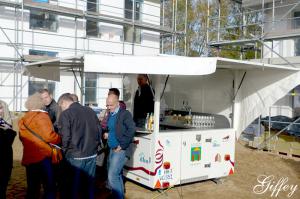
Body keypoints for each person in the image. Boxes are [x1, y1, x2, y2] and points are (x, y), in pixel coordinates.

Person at [57, 93, 101, 199]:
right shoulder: (90, 111)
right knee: (89, 186)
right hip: (91, 154)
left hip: (75, 156)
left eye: (61, 106)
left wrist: (63, 152)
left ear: (63, 102)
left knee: (74, 188)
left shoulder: (66, 114)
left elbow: (65, 138)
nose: (61, 109)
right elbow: (99, 130)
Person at [18, 93, 61, 199]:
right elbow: (49, 137)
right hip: (43, 156)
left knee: (32, 187)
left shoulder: (24, 118)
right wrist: (59, 138)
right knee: (49, 186)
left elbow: (22, 138)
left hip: (29, 156)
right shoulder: (42, 116)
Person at [105, 94, 135, 199]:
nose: (108, 107)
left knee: (112, 176)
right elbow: (115, 129)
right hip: (112, 149)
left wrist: (122, 145)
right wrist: (108, 134)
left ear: (118, 103)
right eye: (107, 105)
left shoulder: (125, 114)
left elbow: (131, 130)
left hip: (121, 150)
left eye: (111, 105)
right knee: (116, 175)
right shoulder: (111, 114)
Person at [0, 100, 16, 199]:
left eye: (1, 108)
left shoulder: (7, 124)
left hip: (4, 162)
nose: (0, 111)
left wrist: (8, 130)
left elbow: (8, 142)